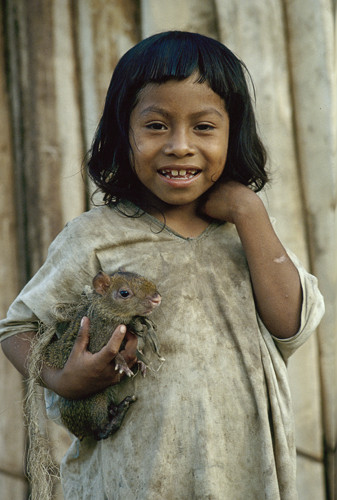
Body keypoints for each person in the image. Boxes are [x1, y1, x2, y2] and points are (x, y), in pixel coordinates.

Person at [1, 31, 324, 500]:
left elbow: (290, 323)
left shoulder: (245, 235)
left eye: (204, 127)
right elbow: (17, 328)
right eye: (156, 126)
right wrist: (62, 378)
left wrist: (248, 210)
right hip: (130, 478)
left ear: (234, 135)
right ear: (122, 133)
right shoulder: (97, 236)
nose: (179, 146)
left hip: (239, 473)